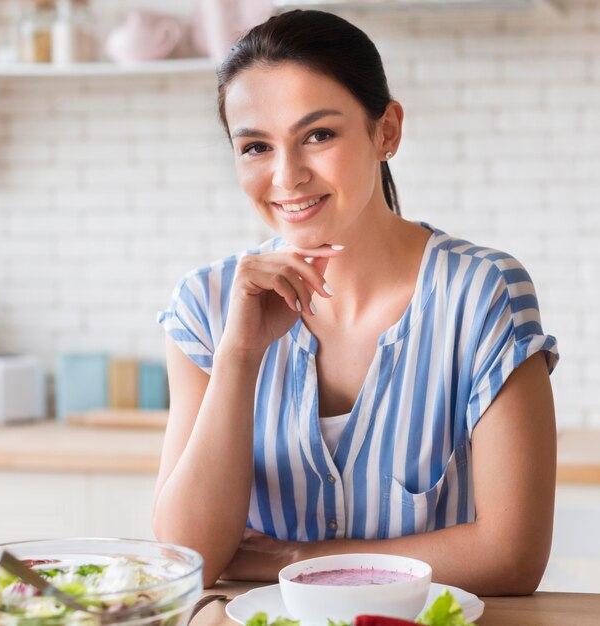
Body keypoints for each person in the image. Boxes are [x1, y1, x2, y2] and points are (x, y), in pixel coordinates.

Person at [153, 9, 558, 595]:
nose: (287, 176)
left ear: (385, 131)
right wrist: (239, 356)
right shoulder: (205, 307)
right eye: (257, 147)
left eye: (318, 135)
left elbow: (510, 557)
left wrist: (292, 557)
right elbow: (188, 556)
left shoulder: (483, 293)